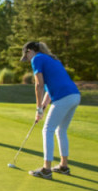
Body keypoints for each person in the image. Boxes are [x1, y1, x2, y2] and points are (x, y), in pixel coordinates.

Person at [20, 41, 80, 180]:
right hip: (74, 96)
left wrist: (38, 108)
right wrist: (42, 108)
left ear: (30, 51)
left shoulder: (37, 59)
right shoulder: (52, 59)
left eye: (26, 56)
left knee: (47, 130)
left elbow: (39, 86)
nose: (28, 59)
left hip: (63, 97)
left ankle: (46, 169)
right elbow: (48, 90)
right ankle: (64, 166)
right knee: (61, 130)